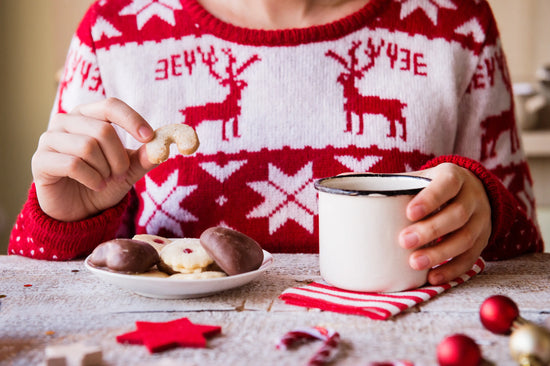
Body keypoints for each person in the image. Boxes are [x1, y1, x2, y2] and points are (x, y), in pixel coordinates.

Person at [8, 0, 543, 285]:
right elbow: (54, 290)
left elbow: (522, 263)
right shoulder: (114, 33)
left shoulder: (456, 23)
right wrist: (66, 222)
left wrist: (486, 208)